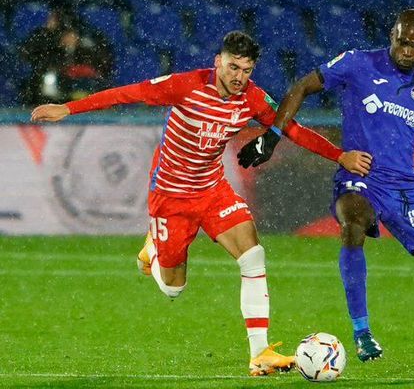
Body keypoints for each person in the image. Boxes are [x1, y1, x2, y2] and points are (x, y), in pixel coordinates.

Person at [30, 31, 372, 376]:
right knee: (173, 288)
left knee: (253, 254)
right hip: (171, 196)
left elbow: (293, 129)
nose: (239, 77)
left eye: (247, 70)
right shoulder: (186, 86)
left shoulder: (251, 99)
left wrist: (339, 155)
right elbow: (127, 94)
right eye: (233, 67)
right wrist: (68, 108)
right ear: (217, 62)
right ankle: (152, 250)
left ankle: (259, 353)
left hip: (211, 189)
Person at [237, 10, 414, 378]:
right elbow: (302, 86)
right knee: (353, 223)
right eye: (402, 41)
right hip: (360, 175)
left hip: (406, 189)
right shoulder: (356, 63)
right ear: (392, 34)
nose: (407, 50)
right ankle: (362, 332)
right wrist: (271, 137)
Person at [19, 4, 113, 105]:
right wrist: (56, 42)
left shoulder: (88, 42)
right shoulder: (46, 41)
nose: (69, 37)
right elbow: (28, 54)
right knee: (49, 79)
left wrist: (80, 51)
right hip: (56, 85)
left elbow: (102, 60)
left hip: (82, 86)